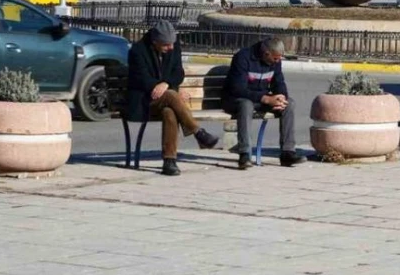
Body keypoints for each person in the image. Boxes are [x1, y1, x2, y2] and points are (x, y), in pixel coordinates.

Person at [126, 20, 219, 176]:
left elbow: (178, 73)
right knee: (170, 95)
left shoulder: (173, 48)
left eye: (171, 44)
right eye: (166, 45)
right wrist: (166, 87)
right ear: (155, 42)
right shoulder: (138, 51)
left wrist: (167, 84)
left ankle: (169, 161)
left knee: (170, 112)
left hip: (166, 99)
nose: (170, 48)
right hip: (144, 100)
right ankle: (198, 132)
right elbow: (141, 78)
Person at [222, 39, 305, 169]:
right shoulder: (243, 58)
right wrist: (265, 98)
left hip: (261, 98)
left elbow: (279, 82)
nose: (277, 61)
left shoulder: (275, 61)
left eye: (279, 59)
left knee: (289, 104)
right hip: (237, 99)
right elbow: (238, 89)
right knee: (246, 105)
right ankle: (244, 154)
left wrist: (281, 97)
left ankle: (287, 153)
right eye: (275, 58)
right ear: (266, 53)